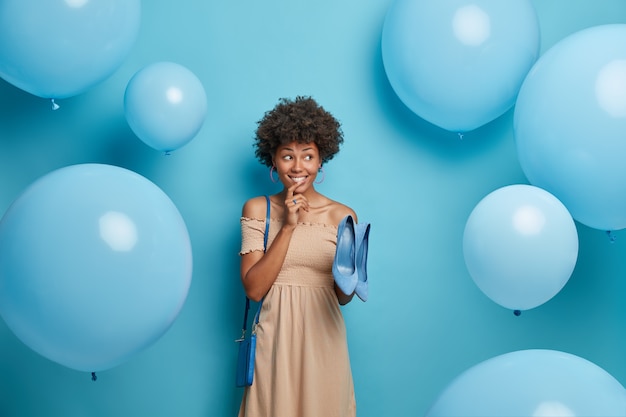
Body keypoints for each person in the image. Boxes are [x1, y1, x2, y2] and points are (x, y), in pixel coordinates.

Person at [238, 96, 357, 416]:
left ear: (321, 161)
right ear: (273, 161)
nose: (298, 166)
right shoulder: (257, 209)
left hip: (324, 336)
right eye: (287, 156)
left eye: (308, 156)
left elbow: (343, 297)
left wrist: (353, 276)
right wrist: (289, 227)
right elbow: (254, 289)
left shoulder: (343, 216)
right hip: (274, 337)